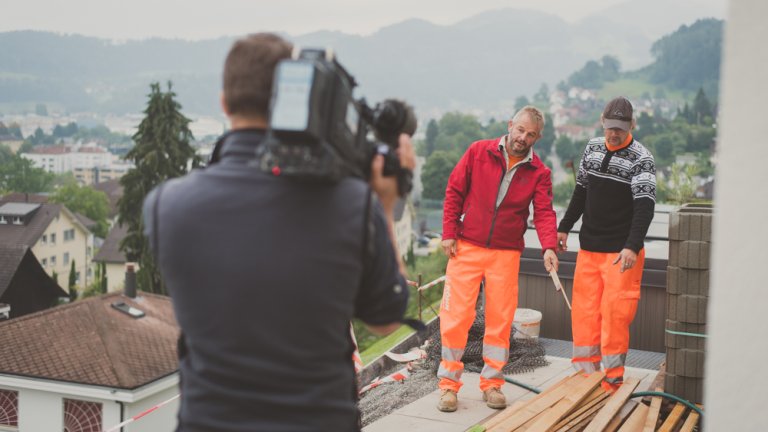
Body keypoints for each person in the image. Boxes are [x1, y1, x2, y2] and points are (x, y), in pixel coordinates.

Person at [142, 33, 414, 431]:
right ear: (294, 101)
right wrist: (385, 205)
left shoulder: (165, 206)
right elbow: (388, 319)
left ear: (224, 103)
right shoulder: (350, 204)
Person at [437, 106, 559, 412]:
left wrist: (548, 247)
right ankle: (449, 386)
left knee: (500, 321)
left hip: (505, 253)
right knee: (455, 318)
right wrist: (449, 231)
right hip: (466, 247)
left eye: (530, 134)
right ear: (510, 125)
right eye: (520, 130)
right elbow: (454, 190)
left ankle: (492, 384)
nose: (523, 138)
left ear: (537, 137)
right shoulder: (478, 152)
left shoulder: (539, 172)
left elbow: (544, 212)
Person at [556, 96, 656, 393]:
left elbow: (645, 207)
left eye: (621, 129)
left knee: (614, 317)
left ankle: (612, 379)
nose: (614, 134)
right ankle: (585, 376)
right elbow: (581, 191)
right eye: (610, 127)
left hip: (620, 254)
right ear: (602, 122)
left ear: (632, 125)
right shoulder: (592, 147)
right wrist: (564, 227)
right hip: (589, 249)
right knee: (584, 313)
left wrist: (632, 246)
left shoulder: (642, 157)